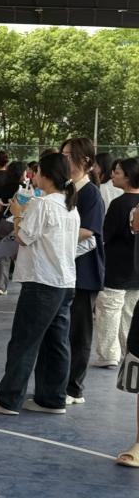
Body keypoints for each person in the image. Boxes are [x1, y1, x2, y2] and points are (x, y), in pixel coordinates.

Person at [0, 152, 80, 415]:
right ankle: (52, 398)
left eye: (37, 171)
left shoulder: (43, 204)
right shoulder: (70, 206)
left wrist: (18, 213)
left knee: (24, 342)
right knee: (57, 343)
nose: (33, 175)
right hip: (64, 281)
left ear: (47, 175)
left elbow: (24, 237)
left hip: (41, 281)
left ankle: (9, 400)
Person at [62, 137, 106, 405]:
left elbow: (88, 231)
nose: (64, 159)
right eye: (63, 154)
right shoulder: (67, 189)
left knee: (79, 333)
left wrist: (54, 234)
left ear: (85, 161)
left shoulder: (91, 194)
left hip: (84, 273)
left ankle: (74, 388)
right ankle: (61, 384)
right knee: (64, 332)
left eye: (69, 155)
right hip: (65, 271)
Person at [92, 157, 139, 368]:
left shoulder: (119, 204)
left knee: (109, 311)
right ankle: (129, 351)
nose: (112, 175)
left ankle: (109, 354)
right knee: (130, 313)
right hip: (135, 269)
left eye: (117, 172)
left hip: (116, 268)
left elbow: (105, 235)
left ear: (129, 177)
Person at [0, 160, 26, 295]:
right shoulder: (24, 188)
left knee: (2, 255)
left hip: (3, 222)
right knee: (22, 254)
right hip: (17, 222)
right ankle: (26, 285)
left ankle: (0, 286)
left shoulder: (3, 187)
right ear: (21, 173)